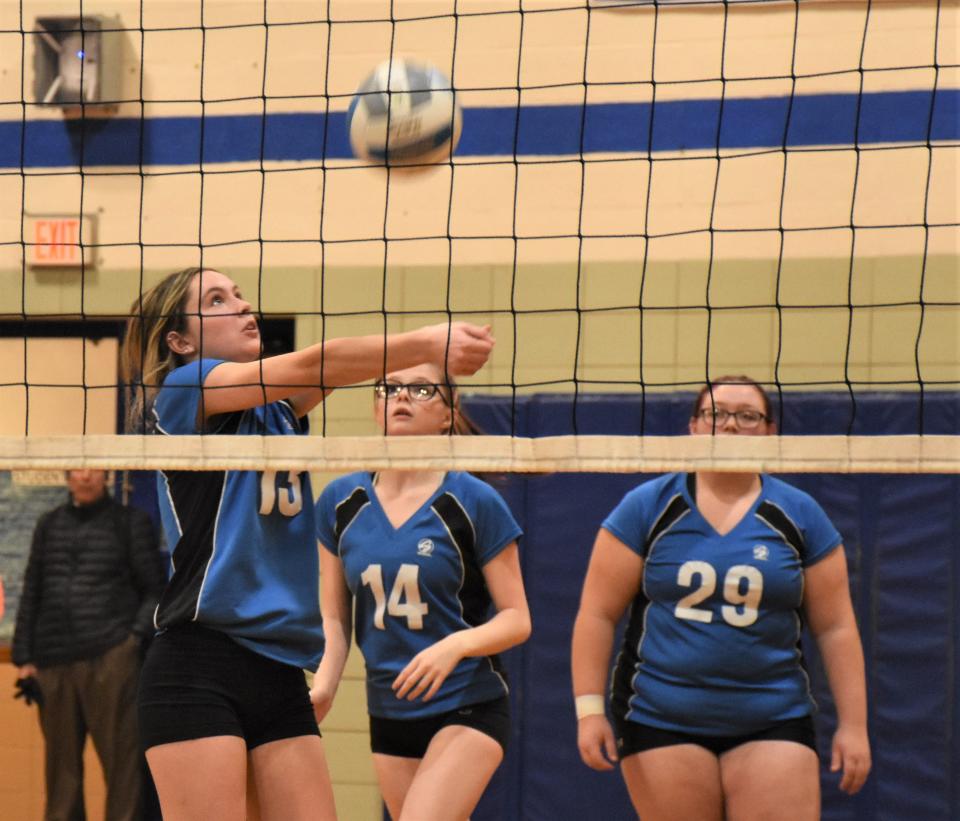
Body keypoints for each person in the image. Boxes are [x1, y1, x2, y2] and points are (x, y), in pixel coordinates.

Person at [119, 267, 495, 821]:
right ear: (181, 341)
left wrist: (414, 362)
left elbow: (336, 369)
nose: (245, 307)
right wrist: (427, 341)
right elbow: (314, 362)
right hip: (198, 663)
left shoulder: (275, 412)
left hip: (277, 669)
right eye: (218, 300)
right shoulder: (184, 391)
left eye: (241, 294)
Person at [571, 376, 871, 821]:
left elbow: (836, 626)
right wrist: (589, 711)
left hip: (774, 715)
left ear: (771, 432)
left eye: (747, 416)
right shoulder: (646, 506)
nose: (730, 426)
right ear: (694, 426)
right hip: (660, 717)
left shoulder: (800, 514)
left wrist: (854, 726)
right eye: (716, 414)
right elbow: (597, 614)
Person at [311, 363, 531, 821]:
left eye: (421, 389)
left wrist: (454, 646)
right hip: (389, 709)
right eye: (389, 388)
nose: (402, 397)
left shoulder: (472, 500)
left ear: (448, 415)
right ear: (376, 408)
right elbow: (334, 617)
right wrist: (326, 685)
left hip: (466, 701)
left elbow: (517, 619)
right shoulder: (340, 500)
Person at [12, 468, 165, 821]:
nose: (85, 476)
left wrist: (131, 642)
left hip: (112, 655)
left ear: (106, 474)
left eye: (92, 468)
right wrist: (24, 655)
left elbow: (155, 590)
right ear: (66, 475)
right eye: (78, 469)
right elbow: (32, 588)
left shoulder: (131, 522)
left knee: (123, 771)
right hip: (53, 659)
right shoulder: (48, 524)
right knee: (60, 777)